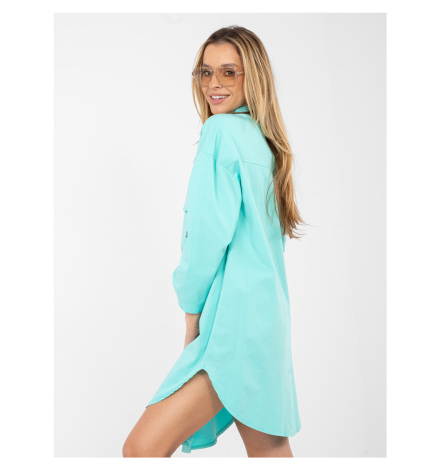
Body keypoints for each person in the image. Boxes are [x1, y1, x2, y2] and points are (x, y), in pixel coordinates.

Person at [123, 25, 307, 458]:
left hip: (232, 324)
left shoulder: (221, 132)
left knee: (141, 450)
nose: (213, 84)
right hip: (267, 323)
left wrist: (191, 315)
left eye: (228, 72)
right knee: (270, 454)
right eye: (205, 72)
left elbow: (205, 238)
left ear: (252, 77)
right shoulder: (266, 144)